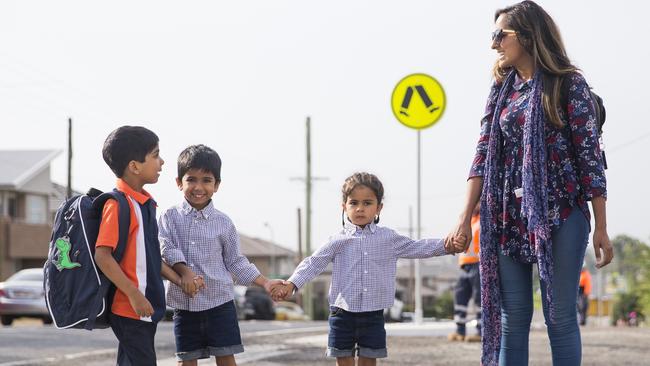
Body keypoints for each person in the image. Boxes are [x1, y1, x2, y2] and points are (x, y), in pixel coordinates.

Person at [447, 2, 613, 365]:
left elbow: (590, 159)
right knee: (512, 320)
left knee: (560, 317)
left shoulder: (569, 83)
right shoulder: (501, 90)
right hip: (508, 215)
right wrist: (464, 217)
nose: (494, 45)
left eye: (499, 35)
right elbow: (482, 153)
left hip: (562, 212)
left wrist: (601, 226)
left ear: (527, 34)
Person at [274, 172, 464, 366]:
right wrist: (291, 283)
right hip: (342, 313)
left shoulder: (388, 238)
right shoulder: (337, 240)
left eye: (367, 203)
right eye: (353, 203)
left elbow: (418, 247)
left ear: (378, 208)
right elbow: (313, 263)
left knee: (368, 361)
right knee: (344, 360)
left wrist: (447, 245)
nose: (359, 209)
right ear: (344, 206)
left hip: (373, 314)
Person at [158, 144, 284, 366]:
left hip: (220, 303)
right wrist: (184, 272)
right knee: (187, 359)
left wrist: (264, 282)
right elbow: (165, 247)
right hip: (184, 305)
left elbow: (236, 261)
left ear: (216, 185)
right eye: (191, 179)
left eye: (206, 180)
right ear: (179, 182)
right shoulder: (169, 217)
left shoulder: (224, 223)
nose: (199, 187)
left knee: (226, 357)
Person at [95, 125, 183, 366]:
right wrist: (133, 295)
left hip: (145, 306)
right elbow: (103, 256)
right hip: (129, 307)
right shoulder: (118, 205)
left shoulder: (146, 205)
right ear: (134, 166)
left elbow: (152, 256)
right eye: (155, 155)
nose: (162, 162)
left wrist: (179, 280)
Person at [448, 203, 482, 343]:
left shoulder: (483, 219)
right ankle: (459, 330)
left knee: (479, 298)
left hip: (478, 263)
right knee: (460, 296)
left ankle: (481, 331)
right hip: (465, 264)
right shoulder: (468, 220)